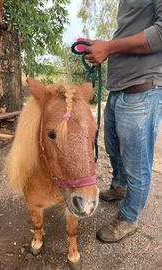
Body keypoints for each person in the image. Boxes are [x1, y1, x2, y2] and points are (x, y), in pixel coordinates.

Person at [85, 0, 162, 243]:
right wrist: (102, 47)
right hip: (118, 90)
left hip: (142, 90)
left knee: (137, 164)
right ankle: (119, 188)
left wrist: (109, 47)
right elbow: (127, 36)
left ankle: (129, 218)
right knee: (114, 149)